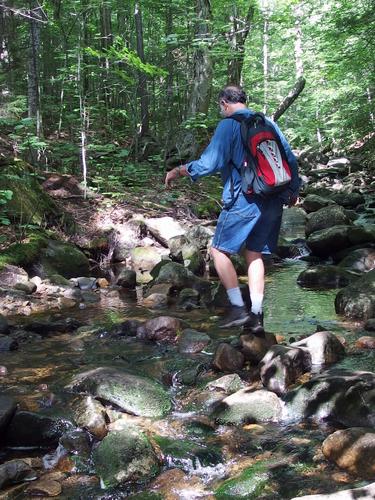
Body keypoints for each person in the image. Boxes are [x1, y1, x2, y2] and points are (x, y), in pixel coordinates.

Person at [164, 85, 299, 333]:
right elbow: (289, 157)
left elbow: (210, 162)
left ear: (224, 104)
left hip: (244, 199)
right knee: (255, 253)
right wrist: (293, 190)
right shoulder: (268, 122)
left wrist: (180, 170)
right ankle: (256, 313)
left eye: (220, 107)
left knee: (218, 251)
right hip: (273, 198)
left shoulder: (229, 125)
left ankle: (237, 308)